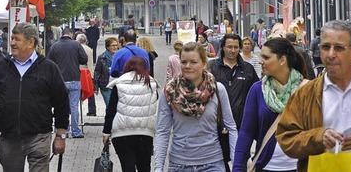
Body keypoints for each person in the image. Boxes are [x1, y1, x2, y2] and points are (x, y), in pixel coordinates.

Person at [0, 23, 69, 171]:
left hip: (39, 136)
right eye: (12, 38)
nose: (12, 43)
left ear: (31, 42)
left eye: (16, 39)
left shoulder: (49, 68)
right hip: (9, 137)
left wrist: (61, 135)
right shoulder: (1, 67)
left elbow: (61, 103)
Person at [276, 20, 351, 172]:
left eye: (339, 48)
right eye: (326, 47)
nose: (331, 54)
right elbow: (286, 137)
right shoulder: (305, 94)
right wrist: (319, 137)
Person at [154, 42, 238, 172]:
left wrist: (235, 165)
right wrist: (158, 168)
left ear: (204, 63)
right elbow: (162, 131)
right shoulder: (170, 92)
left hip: (213, 164)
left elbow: (231, 127)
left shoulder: (217, 89)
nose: (187, 66)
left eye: (193, 62)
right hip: (179, 165)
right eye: (184, 62)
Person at [233, 38, 308, 172]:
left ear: (282, 60)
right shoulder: (257, 90)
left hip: (300, 166)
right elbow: (246, 132)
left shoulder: (307, 89)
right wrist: (238, 168)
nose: (261, 61)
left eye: (266, 57)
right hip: (266, 166)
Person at [102, 56, 158, 172]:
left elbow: (111, 109)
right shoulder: (152, 83)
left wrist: (106, 131)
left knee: (127, 167)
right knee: (145, 167)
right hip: (145, 132)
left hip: (122, 133)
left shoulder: (119, 83)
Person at [208, 33, 259, 129]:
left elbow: (255, 93)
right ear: (223, 47)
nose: (233, 50)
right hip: (216, 123)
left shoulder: (248, 69)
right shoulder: (212, 67)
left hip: (241, 123)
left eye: (236, 47)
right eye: (229, 47)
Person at [47, 27, 88, 138]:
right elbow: (84, 59)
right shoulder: (76, 45)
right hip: (74, 78)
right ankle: (76, 131)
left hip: (60, 81)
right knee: (74, 106)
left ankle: (63, 131)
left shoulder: (55, 46)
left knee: (60, 107)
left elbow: (49, 63)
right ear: (71, 34)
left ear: (62, 34)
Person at [76, 33, 97, 117]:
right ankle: (92, 110)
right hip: (86, 71)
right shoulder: (89, 49)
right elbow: (90, 63)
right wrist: (92, 76)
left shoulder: (75, 48)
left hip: (76, 71)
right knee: (90, 91)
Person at [95, 37, 119, 107]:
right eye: (113, 45)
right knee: (109, 105)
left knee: (116, 106)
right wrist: (96, 87)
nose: (115, 47)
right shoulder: (102, 57)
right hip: (106, 85)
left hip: (117, 84)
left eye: (116, 45)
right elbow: (97, 72)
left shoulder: (119, 56)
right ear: (108, 47)